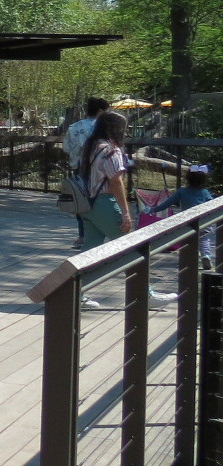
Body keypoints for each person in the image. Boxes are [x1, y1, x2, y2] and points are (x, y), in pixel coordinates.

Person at [79, 111, 179, 310]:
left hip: (87, 203)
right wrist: (126, 212)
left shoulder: (90, 146)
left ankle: (76, 293)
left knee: (89, 250)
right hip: (105, 203)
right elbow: (116, 182)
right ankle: (145, 293)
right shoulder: (111, 150)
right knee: (131, 248)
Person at [148, 166, 218, 269]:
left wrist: (153, 209)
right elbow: (212, 206)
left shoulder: (182, 191)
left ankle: (188, 259)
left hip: (187, 223)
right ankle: (206, 255)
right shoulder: (205, 193)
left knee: (188, 240)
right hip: (203, 222)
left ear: (188, 178)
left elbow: (167, 203)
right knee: (204, 239)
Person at [62, 98, 108, 248]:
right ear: (101, 111)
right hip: (100, 170)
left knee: (81, 201)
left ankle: (83, 235)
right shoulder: (104, 127)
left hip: (79, 168)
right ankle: (101, 233)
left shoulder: (73, 127)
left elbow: (66, 148)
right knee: (102, 199)